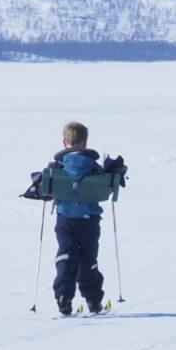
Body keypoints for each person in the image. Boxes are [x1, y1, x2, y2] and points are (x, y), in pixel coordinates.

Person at [45, 120, 110, 316]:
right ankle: (93, 298)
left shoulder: (57, 166)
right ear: (85, 142)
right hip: (89, 219)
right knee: (88, 256)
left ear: (65, 142)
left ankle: (64, 296)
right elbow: (106, 187)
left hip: (65, 218)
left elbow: (45, 187)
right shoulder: (93, 166)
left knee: (66, 254)